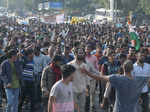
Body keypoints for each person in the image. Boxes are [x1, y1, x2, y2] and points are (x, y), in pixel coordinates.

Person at [81, 60, 149, 112]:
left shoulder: (117, 78)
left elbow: (100, 77)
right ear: (132, 69)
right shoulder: (139, 79)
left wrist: (86, 72)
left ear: (123, 68)